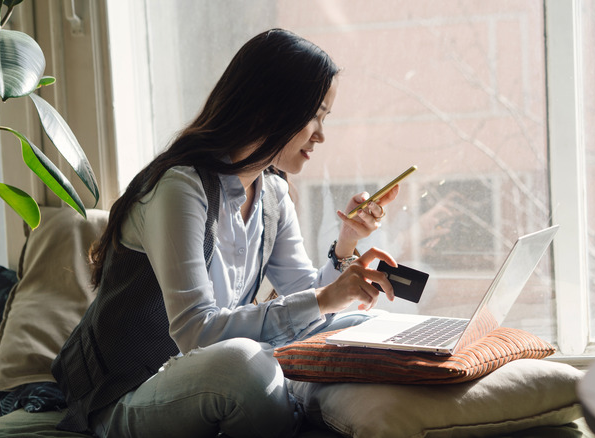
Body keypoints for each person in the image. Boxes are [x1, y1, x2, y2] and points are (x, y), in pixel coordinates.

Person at [51, 28, 400, 437]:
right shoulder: (180, 187)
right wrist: (324, 299)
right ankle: (298, 400)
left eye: (325, 117)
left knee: (369, 328)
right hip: (128, 391)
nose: (321, 134)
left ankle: (300, 397)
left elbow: (305, 299)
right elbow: (196, 332)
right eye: (314, 115)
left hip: (206, 377)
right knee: (242, 366)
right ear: (268, 109)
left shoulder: (271, 192)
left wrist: (346, 244)